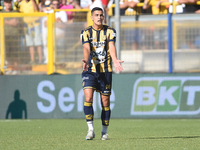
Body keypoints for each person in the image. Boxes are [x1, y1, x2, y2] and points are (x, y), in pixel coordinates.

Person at [81, 7, 124, 140]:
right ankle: (90, 129)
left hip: (105, 71)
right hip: (90, 70)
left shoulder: (110, 31)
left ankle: (104, 132)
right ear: (92, 17)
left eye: (101, 15)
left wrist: (115, 59)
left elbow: (111, 46)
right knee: (88, 98)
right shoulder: (86, 32)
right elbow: (87, 47)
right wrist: (86, 60)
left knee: (105, 102)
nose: (99, 17)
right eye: (97, 15)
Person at [1, 0, 23, 74]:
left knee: (15, 53)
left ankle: (15, 69)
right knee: (7, 53)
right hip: (4, 35)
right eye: (6, 2)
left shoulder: (15, 12)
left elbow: (16, 23)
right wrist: (10, 22)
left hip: (14, 35)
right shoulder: (1, 12)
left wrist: (5, 21)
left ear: (11, 3)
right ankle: (10, 68)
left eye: (9, 2)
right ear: (4, 3)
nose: (8, 4)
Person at [19, 0, 43, 64]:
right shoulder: (23, 2)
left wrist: (33, 1)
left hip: (35, 24)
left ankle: (40, 59)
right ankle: (32, 60)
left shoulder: (35, 1)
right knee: (30, 44)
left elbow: (36, 10)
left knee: (38, 43)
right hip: (27, 25)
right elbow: (21, 12)